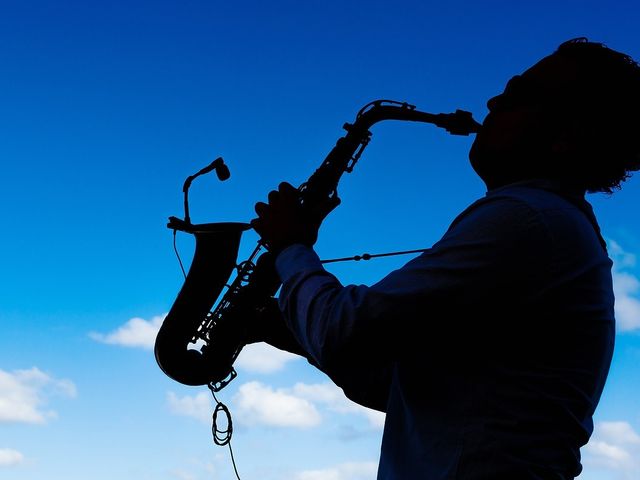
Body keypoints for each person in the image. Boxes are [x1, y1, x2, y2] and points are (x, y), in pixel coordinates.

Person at [249, 38, 640, 480]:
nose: (494, 100)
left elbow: (345, 332)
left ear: (567, 137)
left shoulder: (527, 217)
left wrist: (291, 245)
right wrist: (291, 334)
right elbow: (405, 390)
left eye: (518, 95)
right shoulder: (550, 226)